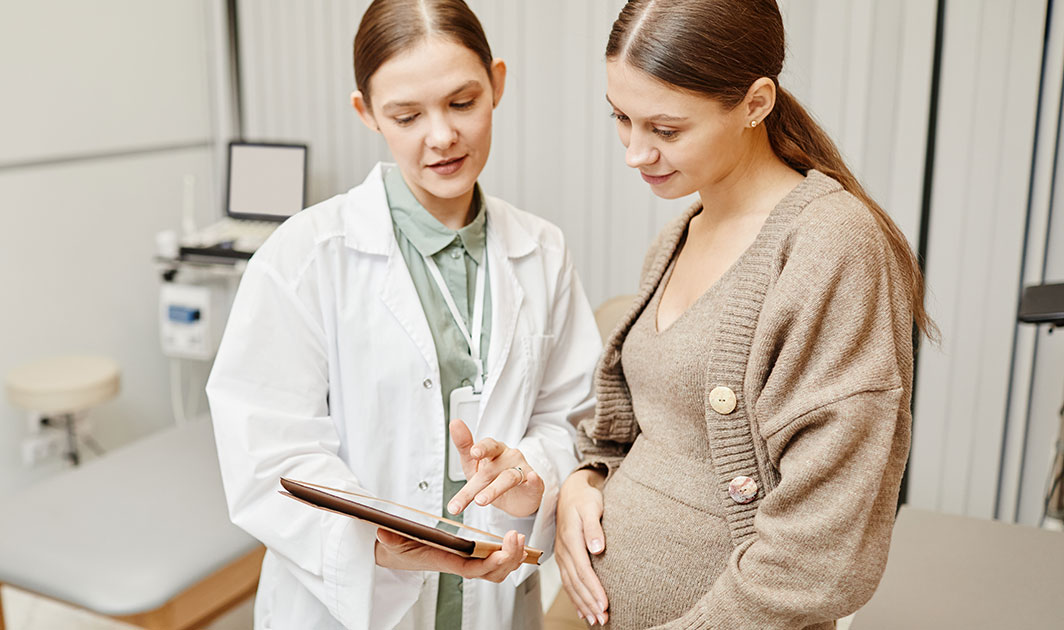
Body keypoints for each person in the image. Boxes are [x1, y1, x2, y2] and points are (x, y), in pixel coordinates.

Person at [206, 1, 602, 629]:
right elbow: (268, 453)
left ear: (497, 84)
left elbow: (571, 418)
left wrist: (533, 475)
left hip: (495, 602)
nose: (441, 136)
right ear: (366, 111)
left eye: (462, 102)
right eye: (407, 115)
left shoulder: (542, 251)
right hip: (351, 604)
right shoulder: (306, 257)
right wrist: (375, 544)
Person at [553, 1, 937, 628]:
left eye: (666, 130)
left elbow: (820, 540)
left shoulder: (832, 246)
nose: (635, 153)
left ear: (756, 103)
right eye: (621, 118)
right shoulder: (677, 235)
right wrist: (585, 480)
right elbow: (649, 429)